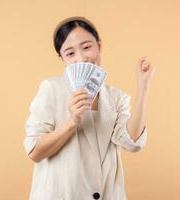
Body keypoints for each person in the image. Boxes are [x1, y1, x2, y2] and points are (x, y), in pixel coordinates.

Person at [23, 16, 155, 200]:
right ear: (62, 58)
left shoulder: (116, 97)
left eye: (87, 47)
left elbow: (132, 142)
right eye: (70, 53)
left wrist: (143, 86)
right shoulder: (51, 89)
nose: (81, 58)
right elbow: (35, 152)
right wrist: (71, 122)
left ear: (99, 46)